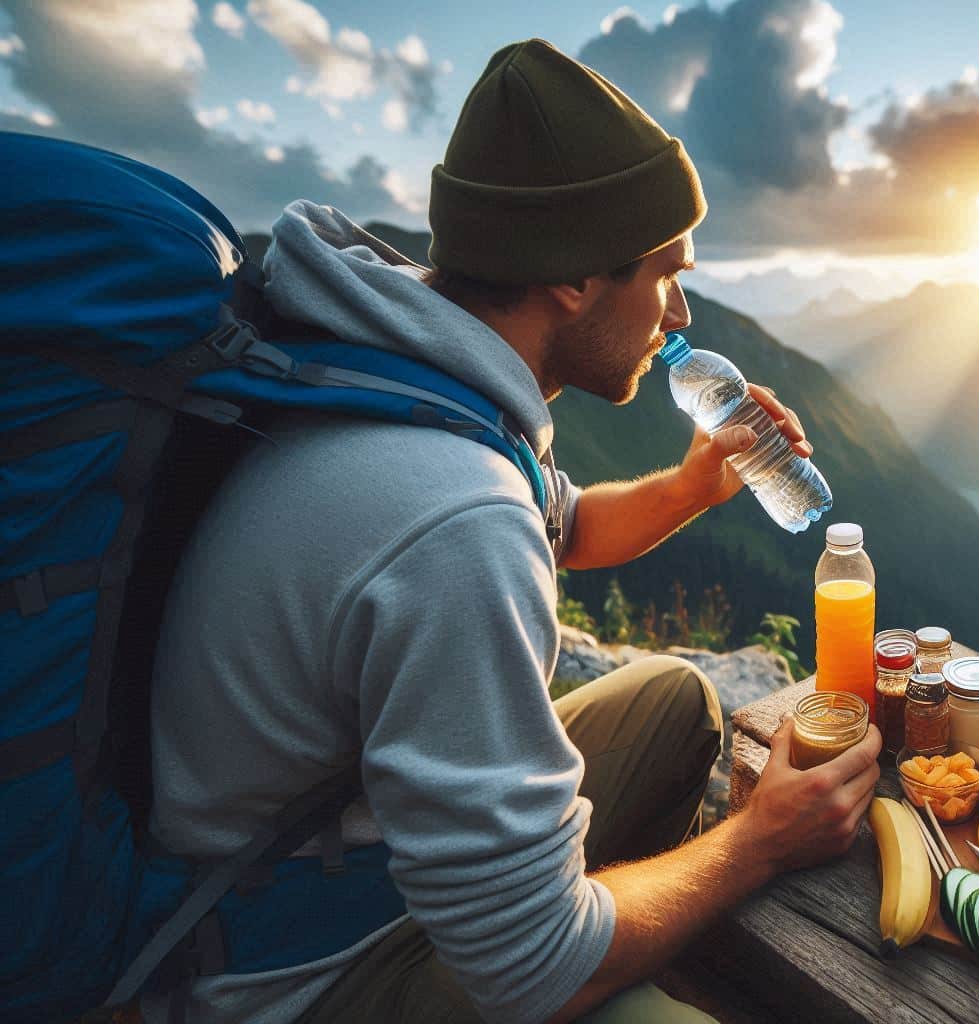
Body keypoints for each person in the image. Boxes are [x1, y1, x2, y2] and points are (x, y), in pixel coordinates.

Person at [142, 38, 882, 1024]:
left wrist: (695, 485)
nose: (680, 310)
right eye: (665, 274)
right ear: (572, 276)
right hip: (300, 970)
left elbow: (564, 524)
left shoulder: (395, 375)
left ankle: (603, 916)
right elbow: (532, 968)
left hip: (333, 847)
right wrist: (762, 838)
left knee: (675, 696)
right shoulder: (454, 519)